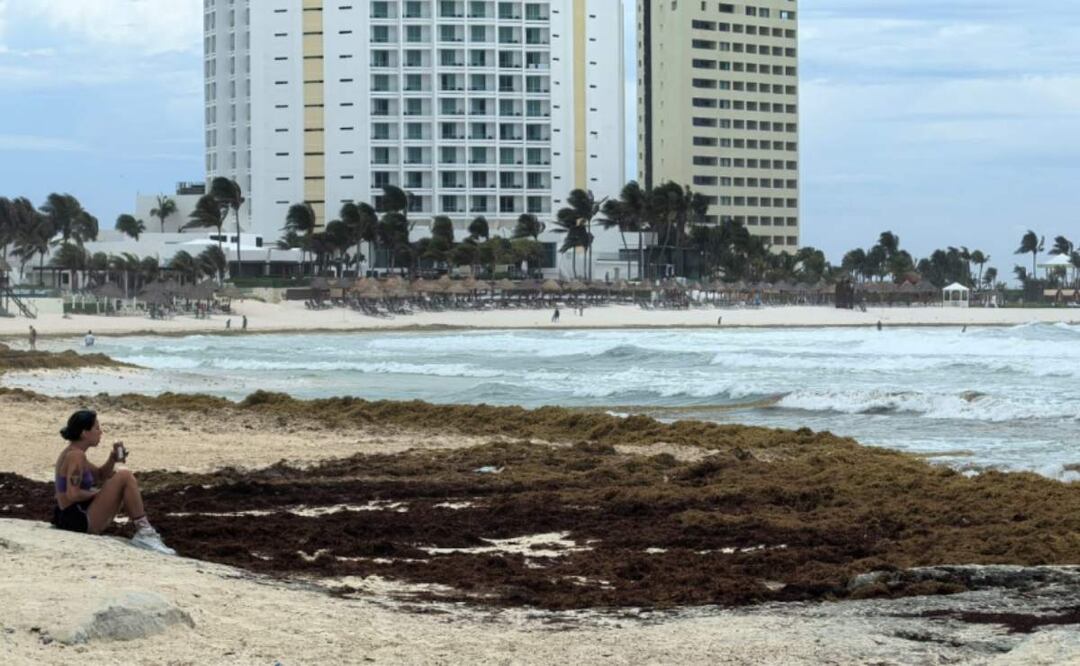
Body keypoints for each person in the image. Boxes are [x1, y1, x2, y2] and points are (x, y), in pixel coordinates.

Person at [52, 410, 175, 555]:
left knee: (121, 476)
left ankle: (145, 531)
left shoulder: (74, 452)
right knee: (125, 475)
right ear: (84, 433)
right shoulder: (76, 455)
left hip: (69, 516)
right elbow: (73, 494)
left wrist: (112, 459)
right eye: (97, 428)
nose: (100, 432)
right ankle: (145, 532)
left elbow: (100, 475)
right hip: (76, 519)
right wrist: (98, 494)